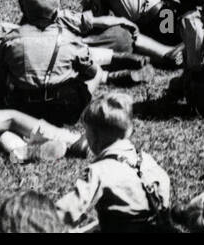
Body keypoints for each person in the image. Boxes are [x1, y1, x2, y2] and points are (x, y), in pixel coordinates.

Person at [54, 92, 171, 233]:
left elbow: (66, 210)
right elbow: (164, 189)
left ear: (94, 137)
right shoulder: (146, 159)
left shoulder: (99, 171)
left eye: (87, 132)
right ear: (128, 131)